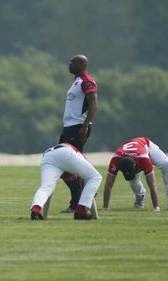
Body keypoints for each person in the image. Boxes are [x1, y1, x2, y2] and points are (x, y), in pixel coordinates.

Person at [58, 54, 98, 214]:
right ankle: (86, 191)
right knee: (63, 163)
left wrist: (85, 126)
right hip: (69, 127)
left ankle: (77, 203)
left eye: (73, 62)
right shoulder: (76, 81)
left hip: (78, 128)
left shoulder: (86, 81)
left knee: (68, 164)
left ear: (82, 64)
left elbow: (94, 105)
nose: (70, 63)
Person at [102, 137, 168, 211]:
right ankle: (140, 195)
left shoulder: (143, 159)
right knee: (133, 181)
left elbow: (152, 184)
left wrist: (156, 207)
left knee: (166, 164)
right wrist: (105, 207)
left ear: (135, 165)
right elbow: (108, 185)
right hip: (134, 153)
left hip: (146, 145)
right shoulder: (115, 159)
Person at [30, 143, 102, 220]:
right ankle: (81, 211)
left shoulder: (64, 168)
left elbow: (49, 194)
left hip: (48, 155)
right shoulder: (80, 161)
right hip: (65, 152)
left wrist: (45, 216)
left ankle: (35, 210)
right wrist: (95, 216)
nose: (72, 180)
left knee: (46, 187)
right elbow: (89, 193)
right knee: (95, 177)